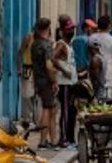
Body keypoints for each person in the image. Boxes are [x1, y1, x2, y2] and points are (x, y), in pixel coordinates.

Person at [29, 18, 58, 148]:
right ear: (48, 29)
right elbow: (49, 66)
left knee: (49, 108)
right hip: (46, 80)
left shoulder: (34, 44)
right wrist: (54, 80)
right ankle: (43, 141)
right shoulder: (46, 45)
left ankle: (51, 140)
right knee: (47, 109)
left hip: (38, 79)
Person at [53, 17, 79, 149]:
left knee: (72, 111)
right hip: (64, 83)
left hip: (71, 83)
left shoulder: (69, 44)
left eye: (73, 29)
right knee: (65, 112)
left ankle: (70, 138)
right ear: (63, 30)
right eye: (69, 29)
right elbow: (53, 58)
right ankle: (63, 139)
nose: (72, 31)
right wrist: (64, 70)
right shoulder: (61, 44)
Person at [90, 15, 112, 99]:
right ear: (109, 25)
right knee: (107, 91)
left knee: (96, 88)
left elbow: (90, 52)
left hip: (95, 68)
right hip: (108, 68)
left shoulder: (92, 38)